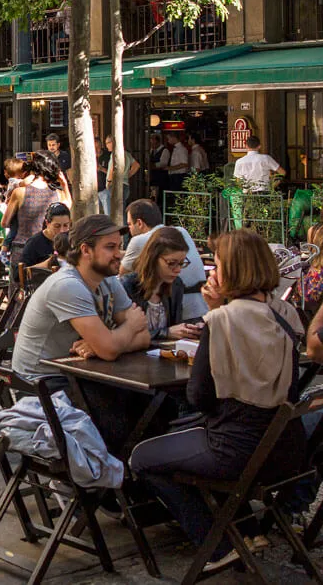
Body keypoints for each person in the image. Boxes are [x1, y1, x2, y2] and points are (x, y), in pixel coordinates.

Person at [130, 229, 306, 571]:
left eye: (219, 265)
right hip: (286, 447)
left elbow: (200, 397)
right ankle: (247, 529)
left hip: (237, 451)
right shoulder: (286, 311)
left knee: (142, 457)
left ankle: (218, 545)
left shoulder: (223, 319)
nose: (213, 272)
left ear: (234, 270)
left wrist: (216, 315)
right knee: (183, 433)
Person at [12, 215, 150, 380]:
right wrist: (130, 327)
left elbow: (144, 337)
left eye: (119, 246)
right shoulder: (68, 285)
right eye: (110, 247)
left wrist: (100, 346)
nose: (118, 254)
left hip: (80, 374)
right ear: (85, 250)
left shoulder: (108, 279)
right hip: (42, 381)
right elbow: (110, 349)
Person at [121, 199, 208, 319]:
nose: (178, 270)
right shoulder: (181, 231)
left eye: (130, 224)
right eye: (172, 263)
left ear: (139, 223)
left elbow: (122, 272)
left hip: (183, 313)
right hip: (202, 307)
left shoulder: (138, 240)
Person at [119, 227, 200, 340]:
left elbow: (176, 327)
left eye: (181, 263)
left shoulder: (176, 284)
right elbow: (123, 336)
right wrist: (165, 333)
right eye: (171, 263)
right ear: (153, 258)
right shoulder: (127, 285)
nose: (178, 270)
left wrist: (192, 328)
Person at [2, 152, 68, 264]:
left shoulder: (19, 192)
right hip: (47, 249)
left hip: (22, 248)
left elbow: (4, 223)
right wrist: (65, 184)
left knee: (21, 279)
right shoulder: (57, 193)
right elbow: (67, 208)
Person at [20, 202, 71, 269]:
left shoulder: (72, 240)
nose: (62, 230)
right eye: (57, 226)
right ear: (47, 223)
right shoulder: (34, 243)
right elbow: (18, 274)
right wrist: (46, 264)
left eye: (65, 225)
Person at [105, 135, 140, 210]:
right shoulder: (126, 154)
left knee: (116, 210)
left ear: (112, 143)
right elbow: (136, 165)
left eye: (107, 143)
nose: (106, 146)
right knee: (121, 208)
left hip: (116, 184)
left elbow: (112, 168)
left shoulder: (114, 154)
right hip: (125, 184)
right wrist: (127, 175)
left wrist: (109, 181)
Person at [95, 136, 112, 215]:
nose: (96, 149)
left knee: (107, 213)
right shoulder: (90, 157)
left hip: (105, 189)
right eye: (94, 147)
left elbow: (113, 172)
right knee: (96, 215)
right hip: (94, 190)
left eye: (98, 147)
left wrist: (101, 169)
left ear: (101, 146)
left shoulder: (108, 155)